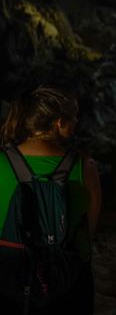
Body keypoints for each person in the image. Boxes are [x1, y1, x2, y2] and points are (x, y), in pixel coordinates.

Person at [0, 85, 102, 314]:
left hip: (9, 275)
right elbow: (89, 231)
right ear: (59, 123)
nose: (76, 122)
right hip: (67, 276)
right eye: (74, 117)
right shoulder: (84, 166)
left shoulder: (2, 163)